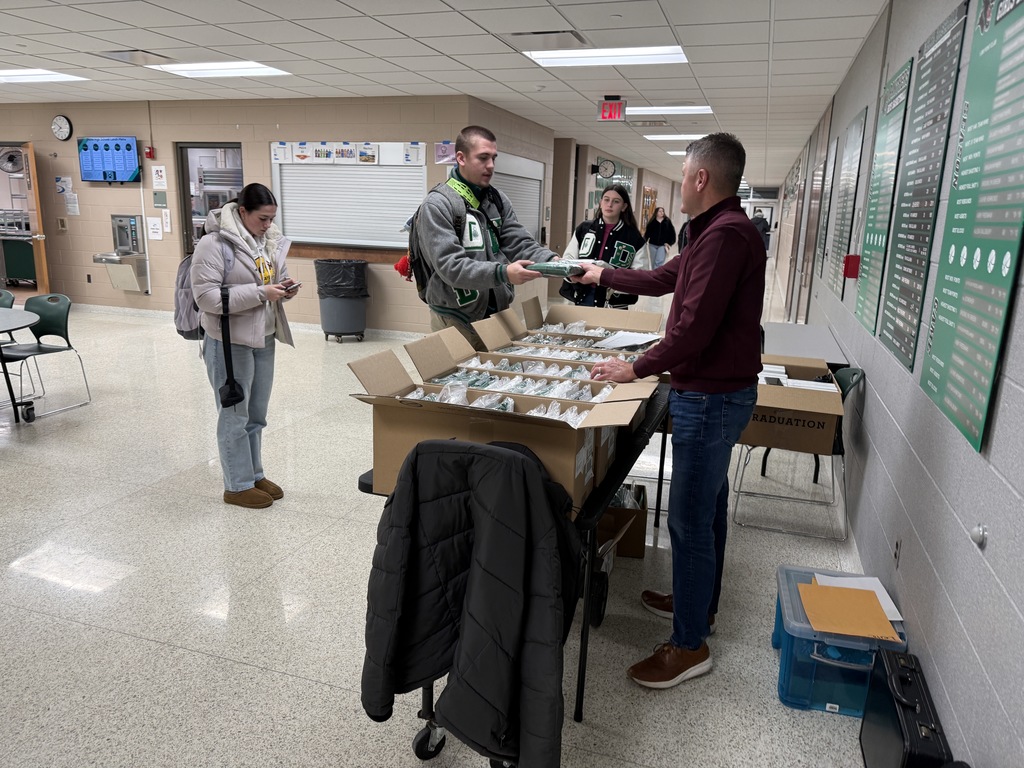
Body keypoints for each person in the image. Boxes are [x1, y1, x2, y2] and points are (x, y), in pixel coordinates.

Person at [571, 133, 767, 689]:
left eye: (683, 172)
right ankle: (695, 604)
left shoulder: (727, 236)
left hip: (710, 396)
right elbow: (664, 278)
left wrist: (633, 369)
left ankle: (689, 645)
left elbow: (692, 330)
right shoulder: (713, 232)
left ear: (701, 178)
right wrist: (602, 274)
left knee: (688, 519)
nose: (679, 183)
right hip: (714, 391)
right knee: (706, 509)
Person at [192, 183, 297, 509]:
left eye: (271, 219)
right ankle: (236, 485)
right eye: (262, 218)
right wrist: (261, 294)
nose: (268, 225)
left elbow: (274, 275)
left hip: (263, 337)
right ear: (242, 212)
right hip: (228, 342)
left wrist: (286, 288)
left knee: (256, 415)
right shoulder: (213, 245)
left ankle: (254, 474)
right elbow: (206, 298)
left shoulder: (266, 242)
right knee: (234, 415)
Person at [411, 125, 558, 350]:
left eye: (493, 158)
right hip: (456, 319)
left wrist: (554, 263)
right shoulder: (438, 205)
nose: (490, 166)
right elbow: (451, 267)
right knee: (460, 382)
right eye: (483, 158)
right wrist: (503, 273)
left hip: (496, 314)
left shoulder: (497, 199)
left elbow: (518, 241)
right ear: (460, 157)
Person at [560, 184, 648, 307]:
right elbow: (568, 259)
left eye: (616, 201)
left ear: (624, 207)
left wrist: (612, 283)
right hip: (583, 296)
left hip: (615, 302)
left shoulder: (634, 238)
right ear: (600, 202)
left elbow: (640, 275)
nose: (609, 204)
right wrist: (572, 275)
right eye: (606, 199)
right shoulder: (584, 229)